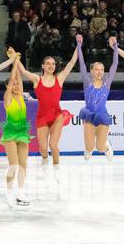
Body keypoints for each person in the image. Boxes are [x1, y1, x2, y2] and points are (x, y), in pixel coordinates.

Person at [14, 46, 79, 179]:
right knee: (43, 148)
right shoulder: (37, 80)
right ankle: (44, 158)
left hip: (57, 116)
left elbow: (72, 63)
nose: (51, 66)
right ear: (43, 66)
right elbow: (23, 70)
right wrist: (15, 57)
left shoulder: (59, 79)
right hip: (42, 117)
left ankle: (56, 170)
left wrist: (78, 45)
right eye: (48, 64)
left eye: (53, 64)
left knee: (53, 145)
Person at [77, 34, 119, 162]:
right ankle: (88, 148)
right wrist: (79, 45)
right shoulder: (87, 83)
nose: (100, 72)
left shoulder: (107, 84)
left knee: (99, 148)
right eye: (97, 69)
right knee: (90, 147)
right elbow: (82, 63)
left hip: (102, 116)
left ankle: (107, 147)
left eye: (102, 69)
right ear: (92, 71)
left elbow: (115, 64)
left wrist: (115, 47)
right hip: (89, 116)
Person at [1, 52, 33, 208]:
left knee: (23, 165)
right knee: (13, 165)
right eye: (12, 84)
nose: (15, 86)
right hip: (10, 133)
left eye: (17, 85)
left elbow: (19, 78)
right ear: (8, 86)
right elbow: (14, 78)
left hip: (22, 132)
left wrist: (18, 60)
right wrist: (14, 61)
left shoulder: (20, 95)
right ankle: (8, 193)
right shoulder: (7, 97)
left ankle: (20, 193)